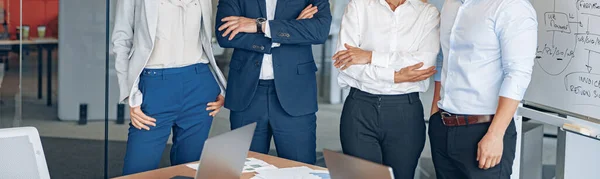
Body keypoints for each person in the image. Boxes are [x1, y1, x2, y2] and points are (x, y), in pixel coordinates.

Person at [112, 0, 227, 175]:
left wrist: (218, 86)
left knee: (188, 170)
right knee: (137, 172)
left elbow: (206, 41)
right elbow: (121, 40)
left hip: (199, 84)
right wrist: (129, 93)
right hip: (154, 85)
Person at [429, 0, 537, 178]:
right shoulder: (451, 4)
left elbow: (518, 74)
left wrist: (495, 135)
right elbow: (444, 56)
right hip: (442, 126)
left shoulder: (511, 6)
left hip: (484, 130)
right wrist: (435, 109)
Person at [215, 0, 332, 164]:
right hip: (247, 92)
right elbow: (225, 35)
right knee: (247, 168)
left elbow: (319, 31)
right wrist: (290, 29)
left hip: (295, 93)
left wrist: (260, 25)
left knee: (298, 169)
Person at [332, 0, 439, 178]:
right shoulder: (358, 6)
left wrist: (370, 57)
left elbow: (423, 64)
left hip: (405, 111)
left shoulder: (428, 13)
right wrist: (395, 76)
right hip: (360, 108)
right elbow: (345, 63)